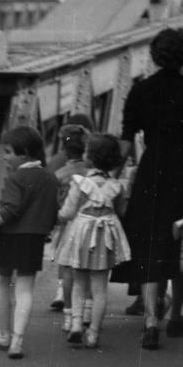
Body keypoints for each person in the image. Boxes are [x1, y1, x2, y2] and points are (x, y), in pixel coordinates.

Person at [119, 27, 183, 350]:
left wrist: (111, 176)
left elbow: (124, 141)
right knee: (180, 241)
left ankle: (150, 321)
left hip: (151, 170)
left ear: (154, 55)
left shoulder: (140, 90)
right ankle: (175, 316)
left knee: (149, 242)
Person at [0, 125, 59, 360]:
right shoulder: (50, 178)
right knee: (25, 290)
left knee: (1, 284)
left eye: (8, 152)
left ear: (24, 153)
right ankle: (18, 341)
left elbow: (11, 210)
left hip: (10, 237)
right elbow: (53, 212)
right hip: (33, 240)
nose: (5, 157)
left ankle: (3, 333)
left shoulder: (15, 178)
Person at [56, 132, 131, 350]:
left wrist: (59, 216)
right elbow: (121, 212)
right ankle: (94, 333)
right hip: (104, 239)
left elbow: (68, 212)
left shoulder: (80, 183)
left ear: (90, 157)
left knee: (79, 282)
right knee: (100, 289)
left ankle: (76, 325)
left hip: (81, 237)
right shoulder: (117, 186)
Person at [49, 124, 92, 322]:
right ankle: (88, 312)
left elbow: (57, 203)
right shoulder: (91, 172)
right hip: (91, 227)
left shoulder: (60, 175)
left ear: (64, 149)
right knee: (89, 271)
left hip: (68, 227)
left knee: (68, 271)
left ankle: (69, 315)